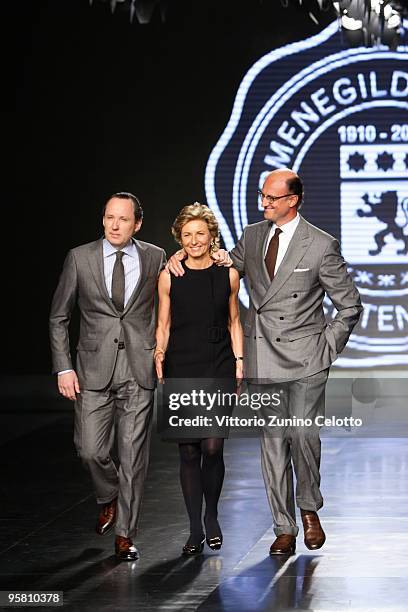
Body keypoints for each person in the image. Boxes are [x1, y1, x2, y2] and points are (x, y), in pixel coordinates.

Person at [168, 169, 363, 556]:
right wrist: (183, 255)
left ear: (293, 200)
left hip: (307, 358)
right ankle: (283, 526)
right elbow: (222, 265)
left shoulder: (321, 245)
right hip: (264, 359)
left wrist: (325, 348)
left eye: (273, 197)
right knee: (273, 445)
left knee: (303, 438)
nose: (265, 202)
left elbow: (350, 305)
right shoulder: (253, 235)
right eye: (262, 195)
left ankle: (309, 509)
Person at [49, 192, 166, 561]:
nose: (115, 225)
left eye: (124, 220)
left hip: (138, 368)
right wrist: (64, 366)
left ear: (138, 224)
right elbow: (59, 317)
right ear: (103, 219)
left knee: (134, 457)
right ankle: (109, 495)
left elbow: (166, 308)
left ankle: (125, 534)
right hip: (91, 370)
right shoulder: (79, 257)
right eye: (109, 218)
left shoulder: (155, 256)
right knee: (90, 450)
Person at [155, 203, 243, 555]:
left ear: (212, 237)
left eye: (200, 234)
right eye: (187, 235)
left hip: (219, 363)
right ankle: (194, 529)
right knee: (189, 451)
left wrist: (239, 361)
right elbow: (163, 322)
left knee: (213, 445)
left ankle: (212, 517)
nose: (194, 241)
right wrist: (158, 354)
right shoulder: (169, 275)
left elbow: (234, 320)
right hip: (181, 363)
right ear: (180, 238)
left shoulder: (228, 273)